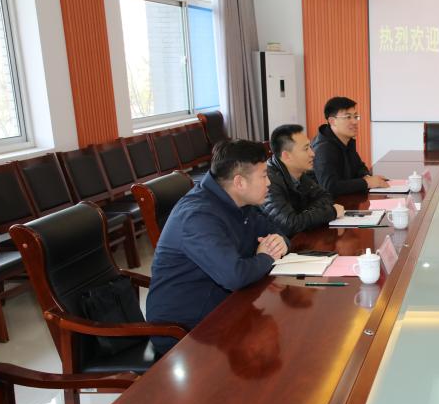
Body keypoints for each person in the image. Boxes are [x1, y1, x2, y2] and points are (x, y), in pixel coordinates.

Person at [146, 140, 288, 355]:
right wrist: (267, 256)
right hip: (185, 330)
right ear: (239, 182)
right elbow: (235, 276)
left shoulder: (238, 200)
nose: (269, 183)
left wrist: (280, 242)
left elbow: (277, 231)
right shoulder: (197, 216)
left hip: (226, 306)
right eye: (264, 176)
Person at [263, 124, 345, 236]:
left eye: (310, 147)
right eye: (306, 149)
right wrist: (330, 212)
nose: (313, 153)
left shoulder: (299, 173)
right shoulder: (268, 181)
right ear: (287, 156)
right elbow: (289, 225)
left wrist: (305, 215)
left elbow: (325, 196)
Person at [312, 96, 388, 194]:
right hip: (329, 202)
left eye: (355, 117)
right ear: (332, 121)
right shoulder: (323, 149)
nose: (355, 122)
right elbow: (329, 187)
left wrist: (367, 177)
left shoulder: (346, 140)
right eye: (348, 117)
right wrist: (367, 183)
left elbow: (359, 167)